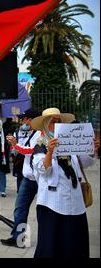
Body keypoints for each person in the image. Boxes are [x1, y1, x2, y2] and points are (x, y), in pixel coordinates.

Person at [30, 108, 96, 258]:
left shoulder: (70, 141)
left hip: (75, 201)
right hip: (52, 203)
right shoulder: (40, 144)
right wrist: (50, 152)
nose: (56, 123)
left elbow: (83, 162)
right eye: (52, 121)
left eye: (58, 120)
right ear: (46, 125)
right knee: (51, 246)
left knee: (74, 243)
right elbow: (43, 170)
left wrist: (92, 149)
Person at [0, 108, 41, 248]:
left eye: (24, 119)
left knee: (42, 211)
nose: (22, 122)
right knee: (20, 209)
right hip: (28, 178)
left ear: (32, 120)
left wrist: (14, 144)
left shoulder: (42, 134)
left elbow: (29, 151)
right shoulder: (32, 133)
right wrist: (16, 144)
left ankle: (47, 240)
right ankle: (19, 238)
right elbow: (22, 149)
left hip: (41, 181)